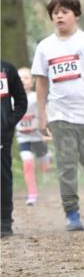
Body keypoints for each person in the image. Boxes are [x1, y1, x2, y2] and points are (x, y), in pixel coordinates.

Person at [31, 0, 84, 231]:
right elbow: (41, 82)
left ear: (76, 15)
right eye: (55, 12)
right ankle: (71, 212)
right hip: (59, 115)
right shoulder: (45, 47)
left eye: (64, 11)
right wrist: (42, 114)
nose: (59, 16)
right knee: (66, 165)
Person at [16, 67, 52, 205]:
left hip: (38, 137)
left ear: (32, 82)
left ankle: (48, 157)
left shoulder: (36, 97)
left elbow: (46, 111)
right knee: (28, 163)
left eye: (26, 78)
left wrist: (48, 128)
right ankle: (32, 194)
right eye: (19, 78)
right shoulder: (11, 100)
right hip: (23, 138)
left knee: (45, 167)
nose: (23, 81)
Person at [1, 59, 28, 237]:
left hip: (2, 135)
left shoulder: (6, 69)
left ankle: (4, 221)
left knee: (2, 177)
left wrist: (8, 123)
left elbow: (21, 101)